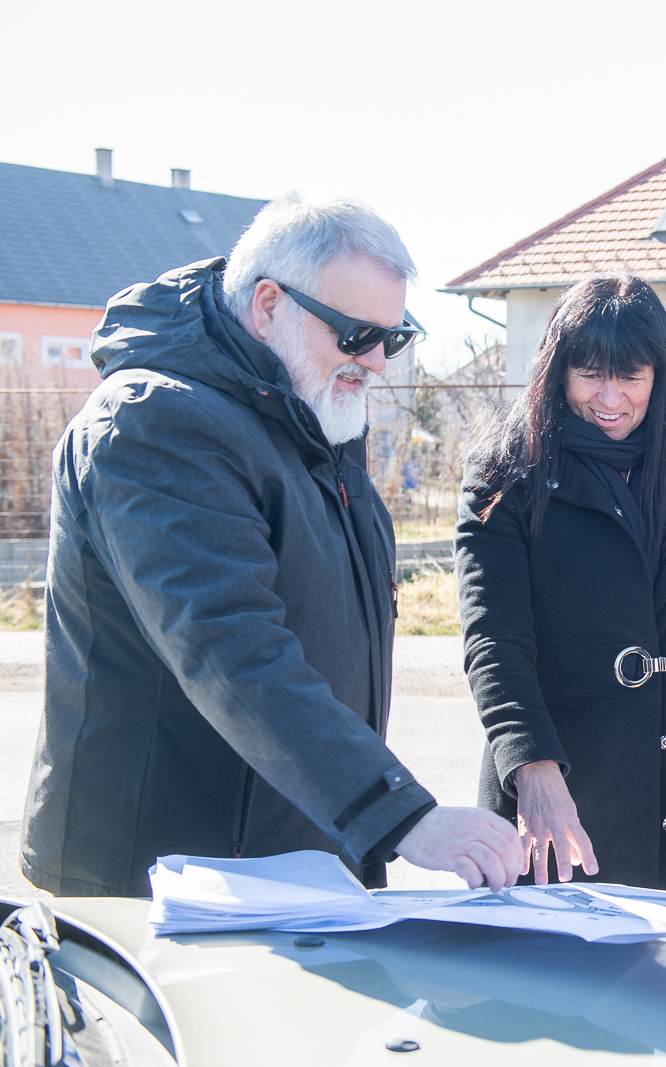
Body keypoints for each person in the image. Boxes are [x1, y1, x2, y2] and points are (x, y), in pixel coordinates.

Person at [23, 196, 525, 898]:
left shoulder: (314, 416)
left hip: (293, 865)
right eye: (356, 334)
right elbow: (233, 649)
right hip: (163, 881)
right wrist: (401, 815)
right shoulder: (153, 423)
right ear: (267, 306)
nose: (377, 361)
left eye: (394, 336)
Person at [456, 273, 666, 896]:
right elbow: (494, 643)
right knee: (552, 987)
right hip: (558, 803)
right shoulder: (506, 480)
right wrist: (531, 770)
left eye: (631, 376)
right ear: (558, 372)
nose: (609, 396)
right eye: (590, 373)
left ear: (659, 377)